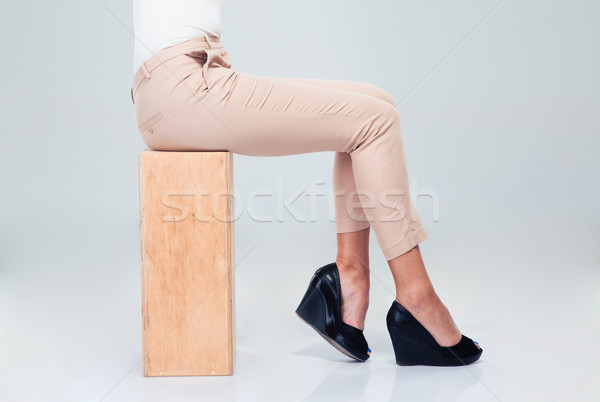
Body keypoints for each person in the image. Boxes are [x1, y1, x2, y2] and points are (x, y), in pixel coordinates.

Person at [131, 0, 482, 366]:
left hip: (189, 78)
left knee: (377, 103)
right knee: (374, 122)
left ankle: (350, 277)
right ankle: (417, 295)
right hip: (183, 87)